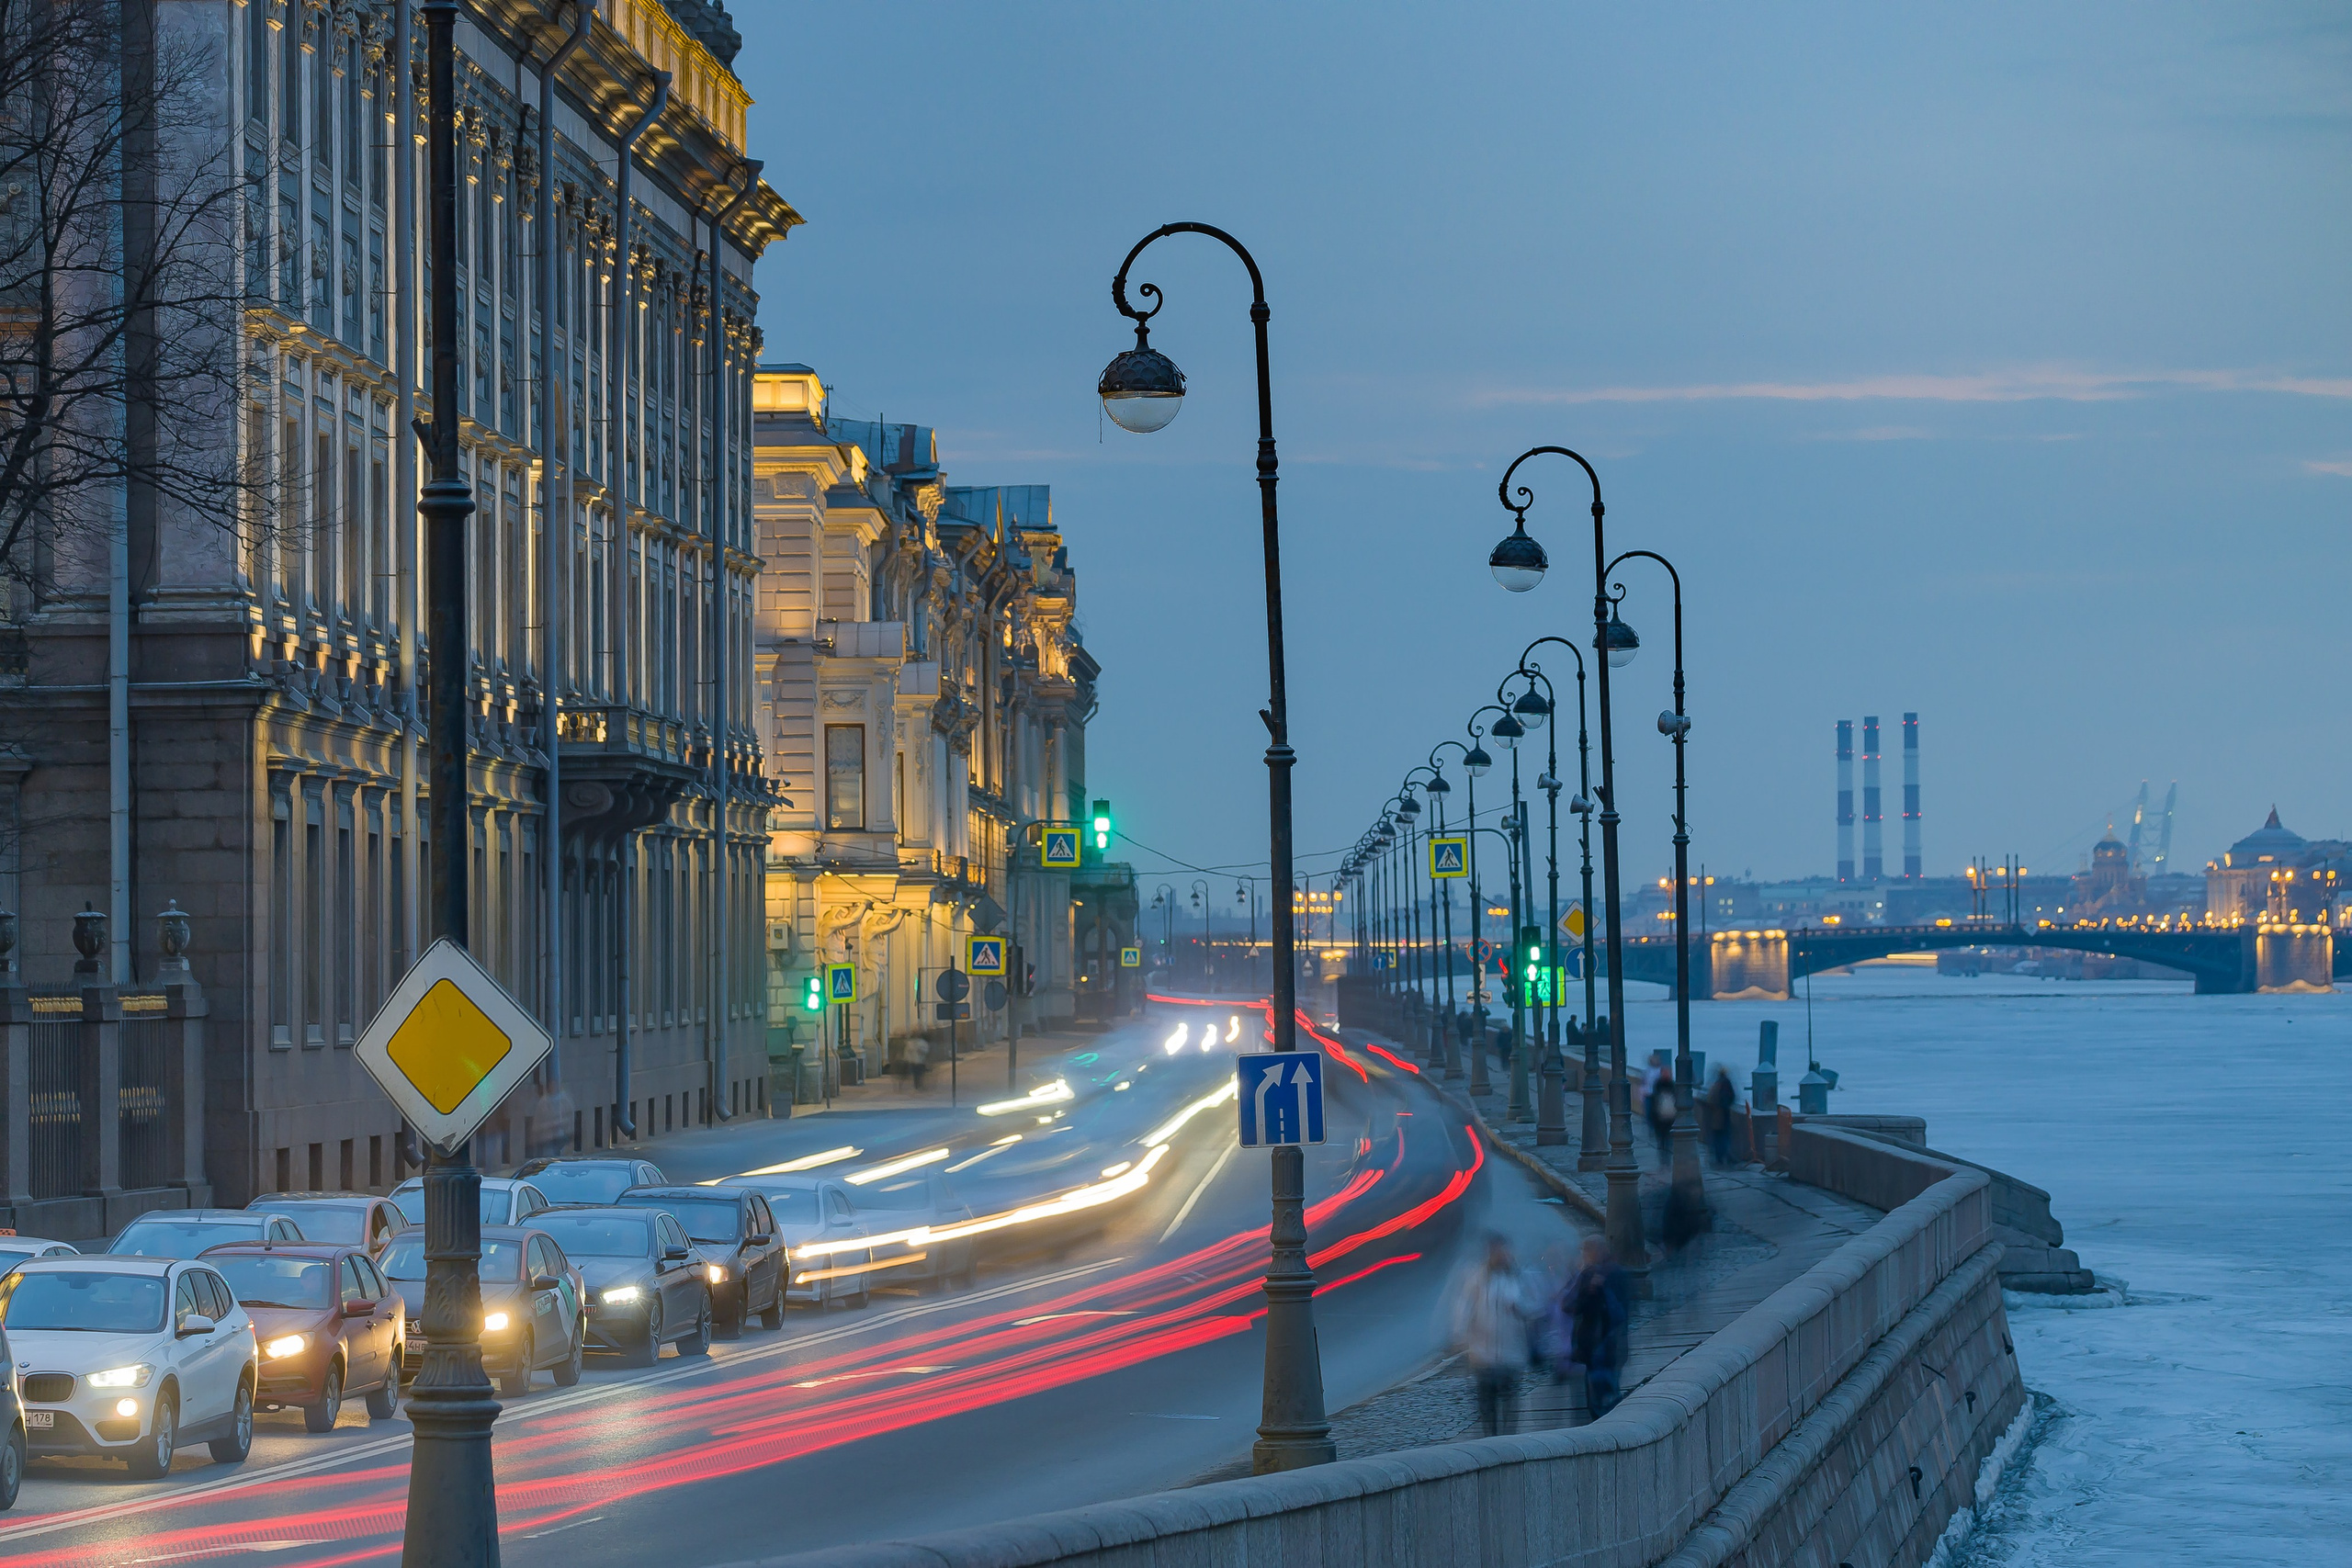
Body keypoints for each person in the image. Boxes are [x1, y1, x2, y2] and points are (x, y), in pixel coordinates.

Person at [1448, 1233, 1528, 1438]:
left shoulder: (1517, 1277)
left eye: (1504, 1251)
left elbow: (1533, 1305)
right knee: (1487, 1401)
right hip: (1483, 1354)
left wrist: (1520, 1309)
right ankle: (1491, 1439)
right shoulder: (1477, 1278)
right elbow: (1464, 1306)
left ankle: (1508, 1441)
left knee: (1510, 1401)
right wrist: (1460, 1335)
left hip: (1511, 1353)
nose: (1501, 1255)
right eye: (1496, 1251)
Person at [1565, 1235, 1630, 1418]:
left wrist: (1591, 1289)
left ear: (1596, 1251)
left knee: (1601, 1403)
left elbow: (1572, 1306)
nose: (1584, 1254)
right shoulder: (1607, 1273)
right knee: (1604, 1399)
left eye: (1586, 1250)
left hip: (1601, 1346)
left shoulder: (1601, 1275)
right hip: (1602, 1347)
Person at [1644, 1051, 1677, 1168]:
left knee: (1664, 1140)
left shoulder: (1659, 1085)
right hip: (1663, 1117)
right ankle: (1665, 1158)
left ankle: (1665, 1158)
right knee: (1664, 1140)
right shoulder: (1669, 1086)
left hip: (1665, 1117)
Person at [1705, 1064, 1738, 1167]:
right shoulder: (1725, 1084)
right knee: (1723, 1136)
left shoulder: (1716, 1084)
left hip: (1716, 1115)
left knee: (1717, 1137)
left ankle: (1719, 1157)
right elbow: (1731, 1097)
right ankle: (1724, 1157)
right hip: (1723, 1114)